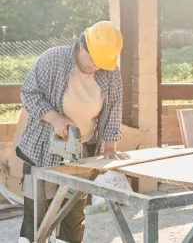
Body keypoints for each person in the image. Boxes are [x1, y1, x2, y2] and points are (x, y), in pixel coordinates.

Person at [16, 21, 130, 243]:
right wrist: (55, 118)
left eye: (102, 63)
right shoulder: (53, 59)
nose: (97, 66)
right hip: (41, 148)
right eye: (94, 60)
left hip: (81, 151)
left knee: (73, 215)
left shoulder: (110, 72)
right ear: (81, 47)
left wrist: (109, 147)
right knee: (37, 217)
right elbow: (28, 93)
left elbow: (114, 108)